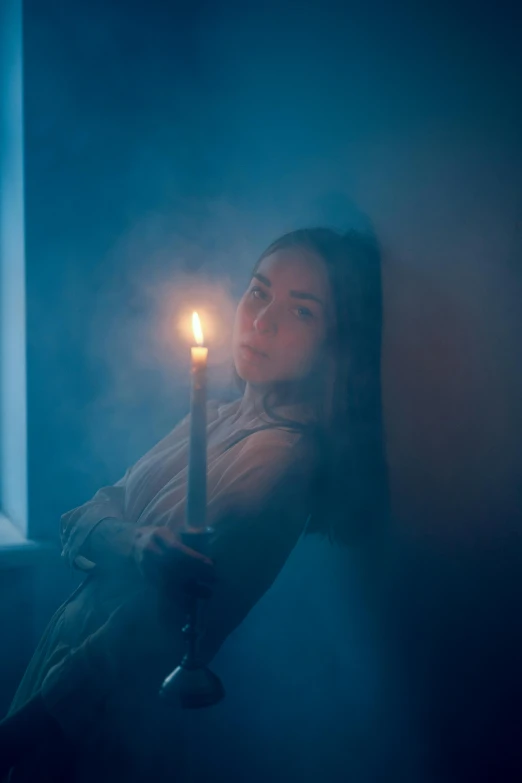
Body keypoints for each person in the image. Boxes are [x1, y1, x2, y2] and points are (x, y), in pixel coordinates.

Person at [0, 227, 388, 782]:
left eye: (302, 312)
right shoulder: (215, 414)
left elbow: (146, 630)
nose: (262, 320)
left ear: (339, 343)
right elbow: (80, 520)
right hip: (61, 672)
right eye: (258, 291)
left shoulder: (282, 459)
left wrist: (18, 734)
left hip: (100, 716)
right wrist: (134, 545)